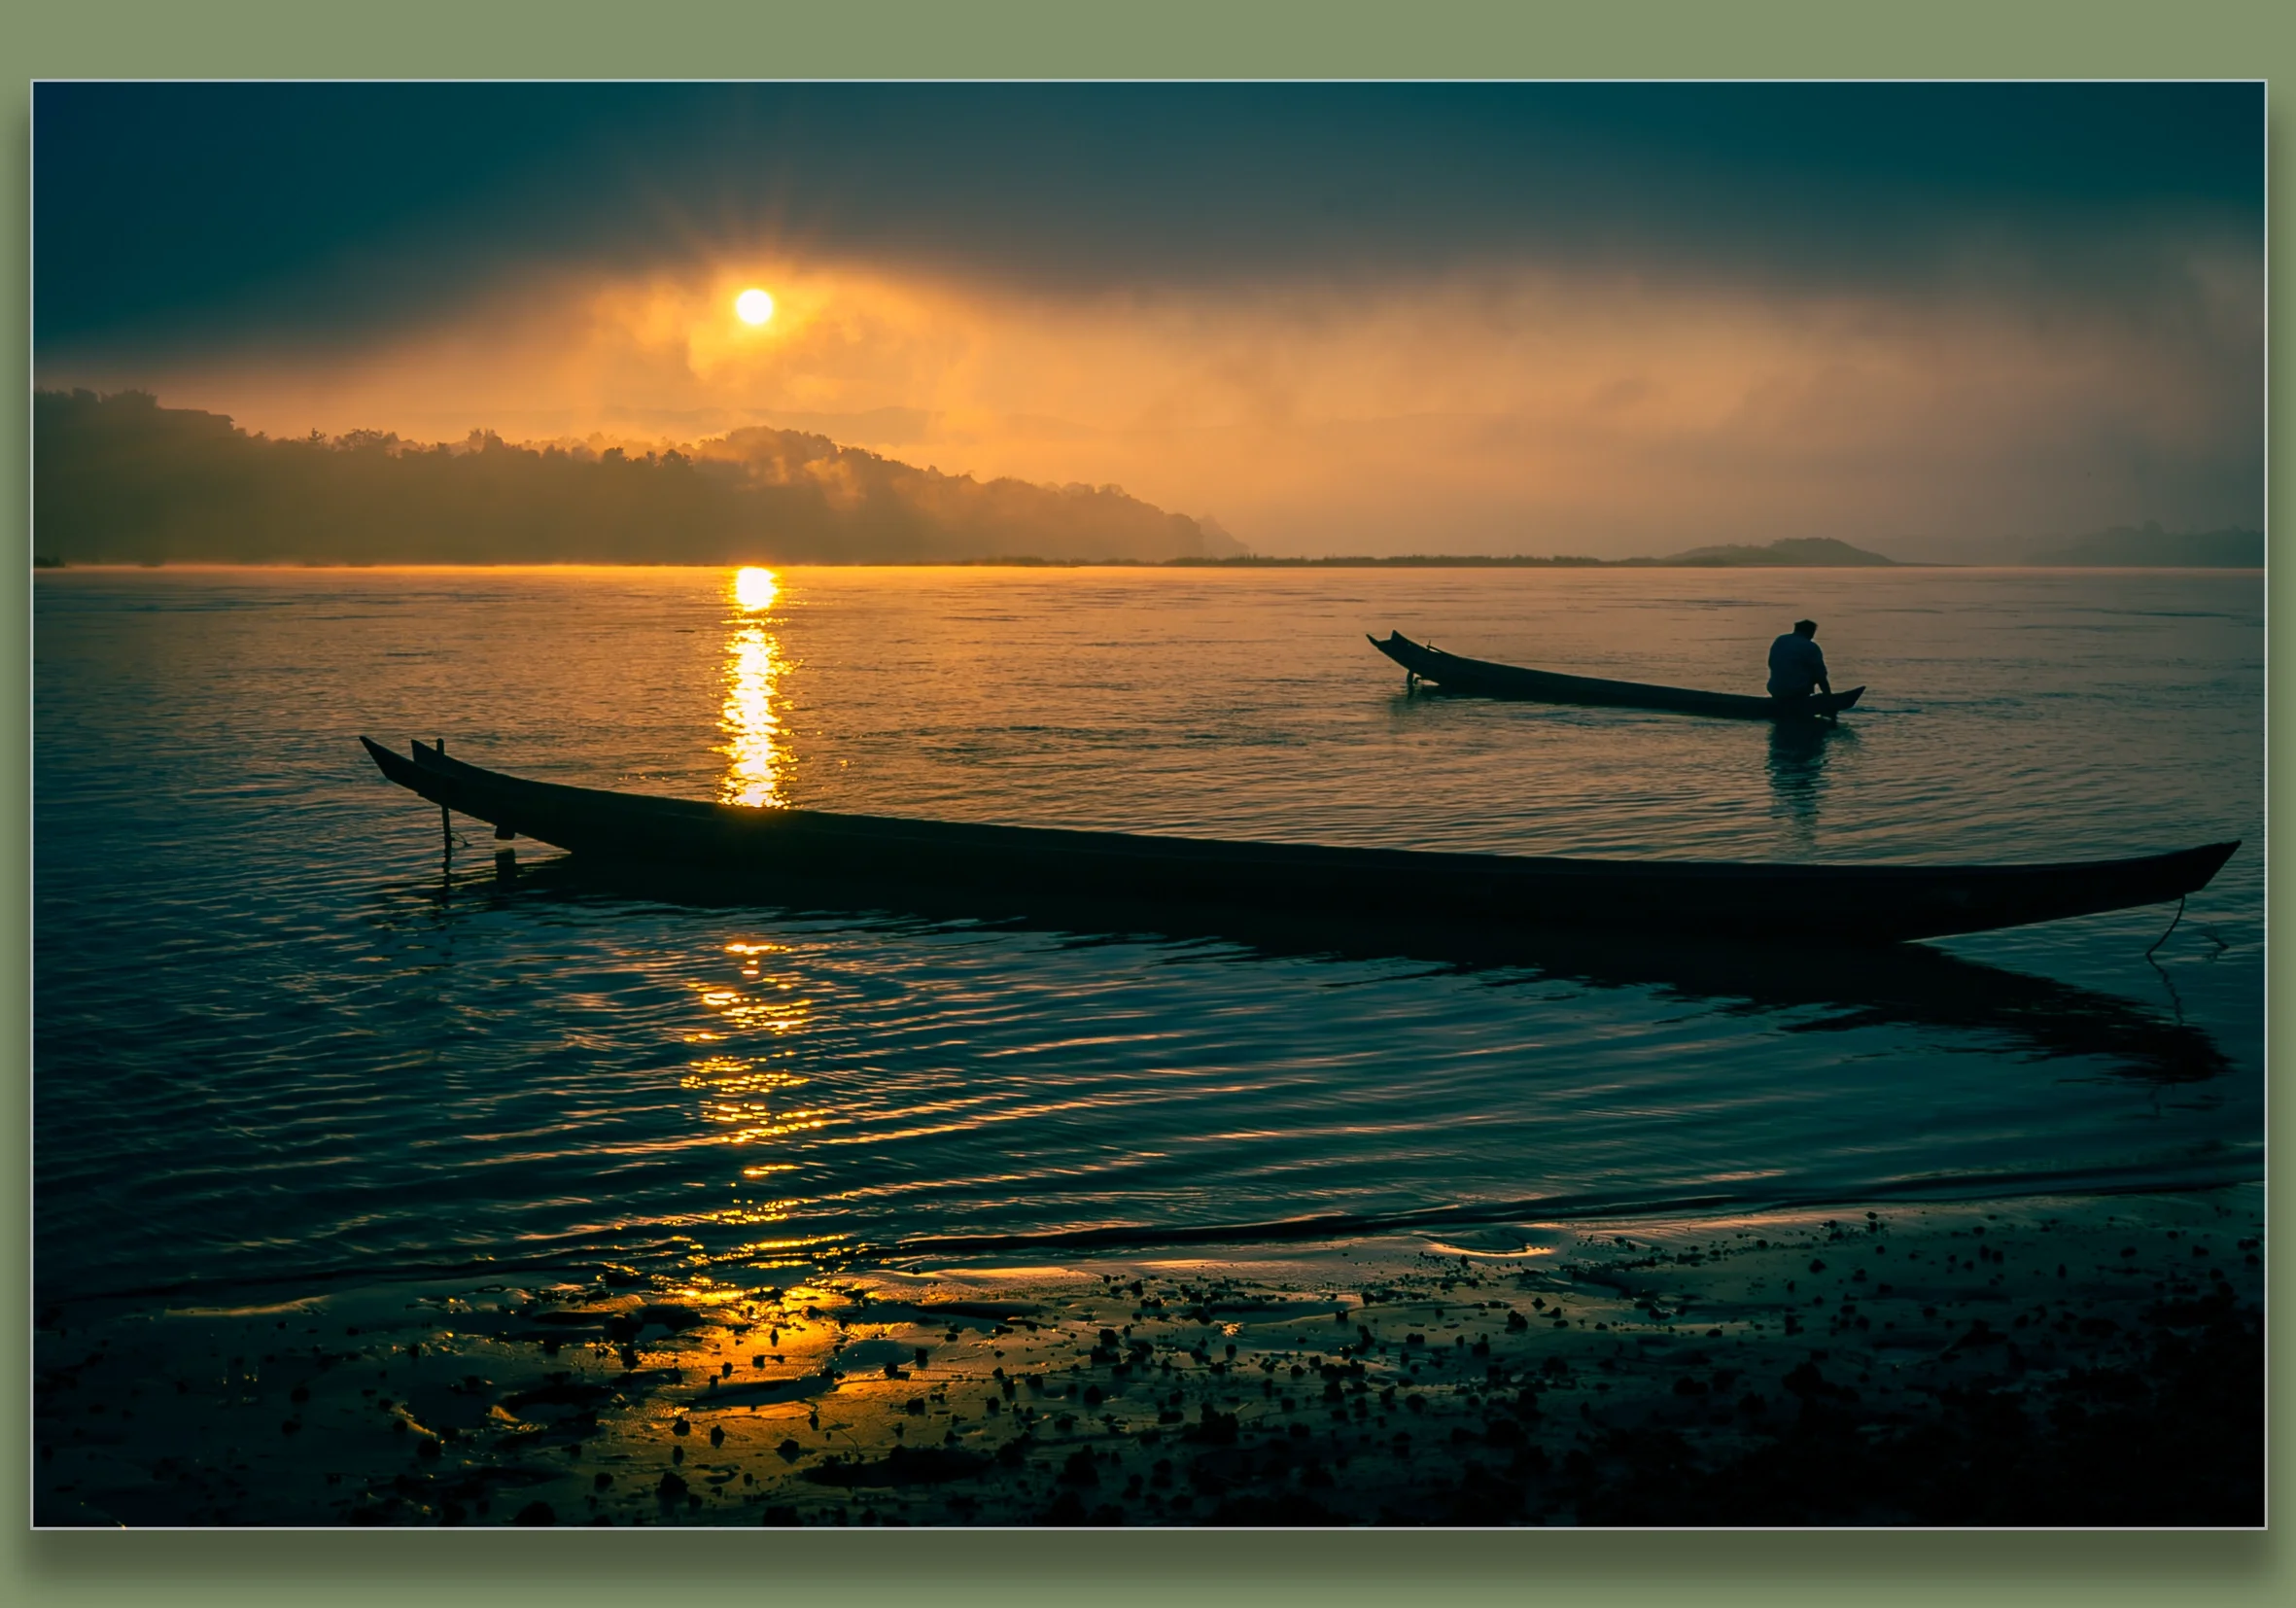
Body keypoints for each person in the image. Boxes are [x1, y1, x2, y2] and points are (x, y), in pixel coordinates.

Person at [1767, 618, 1831, 706]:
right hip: (1797, 692)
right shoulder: (1811, 646)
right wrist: (1828, 696)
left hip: (1775, 689)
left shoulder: (1780, 640)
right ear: (1811, 632)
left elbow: (1771, 663)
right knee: (1817, 671)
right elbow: (1820, 674)